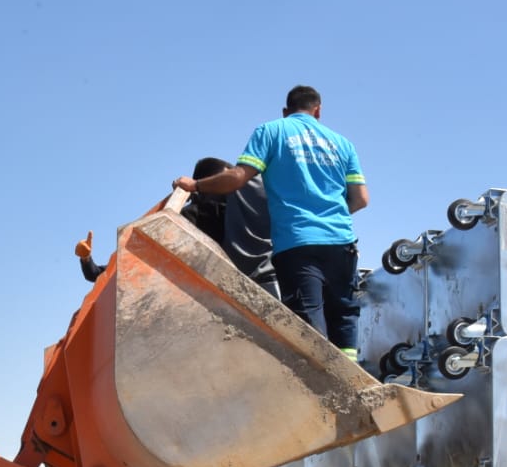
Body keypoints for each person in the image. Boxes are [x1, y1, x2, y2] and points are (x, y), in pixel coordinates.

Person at [176, 85, 367, 360]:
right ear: (319, 111)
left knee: (308, 323)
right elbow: (361, 198)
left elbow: (238, 176)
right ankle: (352, 379)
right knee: (344, 315)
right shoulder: (343, 143)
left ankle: (323, 384)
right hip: (342, 242)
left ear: (285, 111)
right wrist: (328, 215)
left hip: (298, 242)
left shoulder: (272, 131)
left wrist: (194, 185)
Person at [74, 157, 241, 284]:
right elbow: (114, 271)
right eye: (222, 182)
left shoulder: (244, 216)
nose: (231, 189)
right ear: (204, 185)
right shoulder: (182, 221)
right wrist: (86, 260)